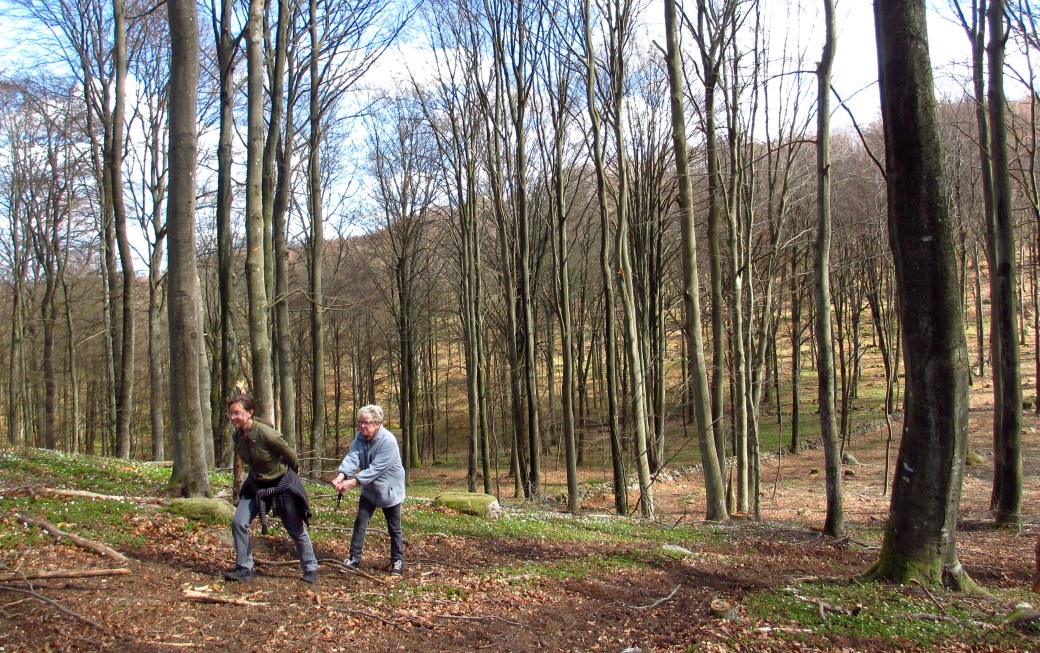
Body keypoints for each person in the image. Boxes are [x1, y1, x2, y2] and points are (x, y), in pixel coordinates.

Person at [224, 392, 319, 584]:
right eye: (231, 413)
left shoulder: (266, 433)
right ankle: (244, 567)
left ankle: (310, 567)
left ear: (249, 413)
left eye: (237, 413)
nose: (233, 417)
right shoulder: (237, 436)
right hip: (256, 485)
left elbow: (290, 454)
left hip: (280, 484)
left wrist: (292, 476)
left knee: (295, 528)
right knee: (238, 522)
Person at [331, 405, 406, 575]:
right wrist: (341, 476)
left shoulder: (388, 442)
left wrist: (352, 483)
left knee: (394, 527)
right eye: (360, 423)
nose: (362, 426)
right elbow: (352, 457)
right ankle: (354, 559)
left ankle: (397, 561)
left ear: (377, 424)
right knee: (360, 522)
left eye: (366, 423)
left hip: (390, 490)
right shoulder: (360, 437)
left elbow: (375, 469)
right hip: (369, 489)